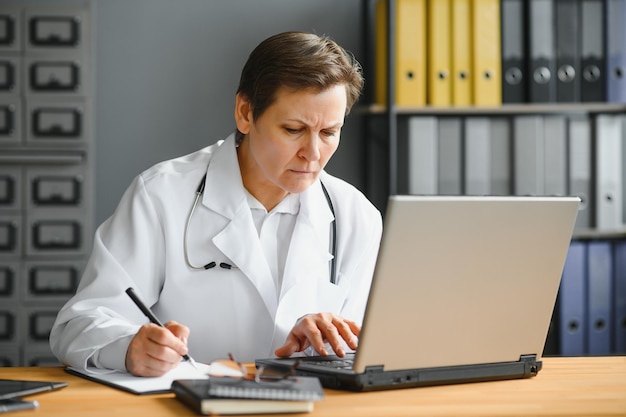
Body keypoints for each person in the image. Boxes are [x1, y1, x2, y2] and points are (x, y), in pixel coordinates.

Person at [49, 31, 383, 377]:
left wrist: (320, 343)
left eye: (329, 133)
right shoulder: (161, 194)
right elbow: (78, 324)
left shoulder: (355, 216)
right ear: (245, 113)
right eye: (293, 129)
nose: (313, 153)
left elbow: (365, 348)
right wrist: (130, 347)